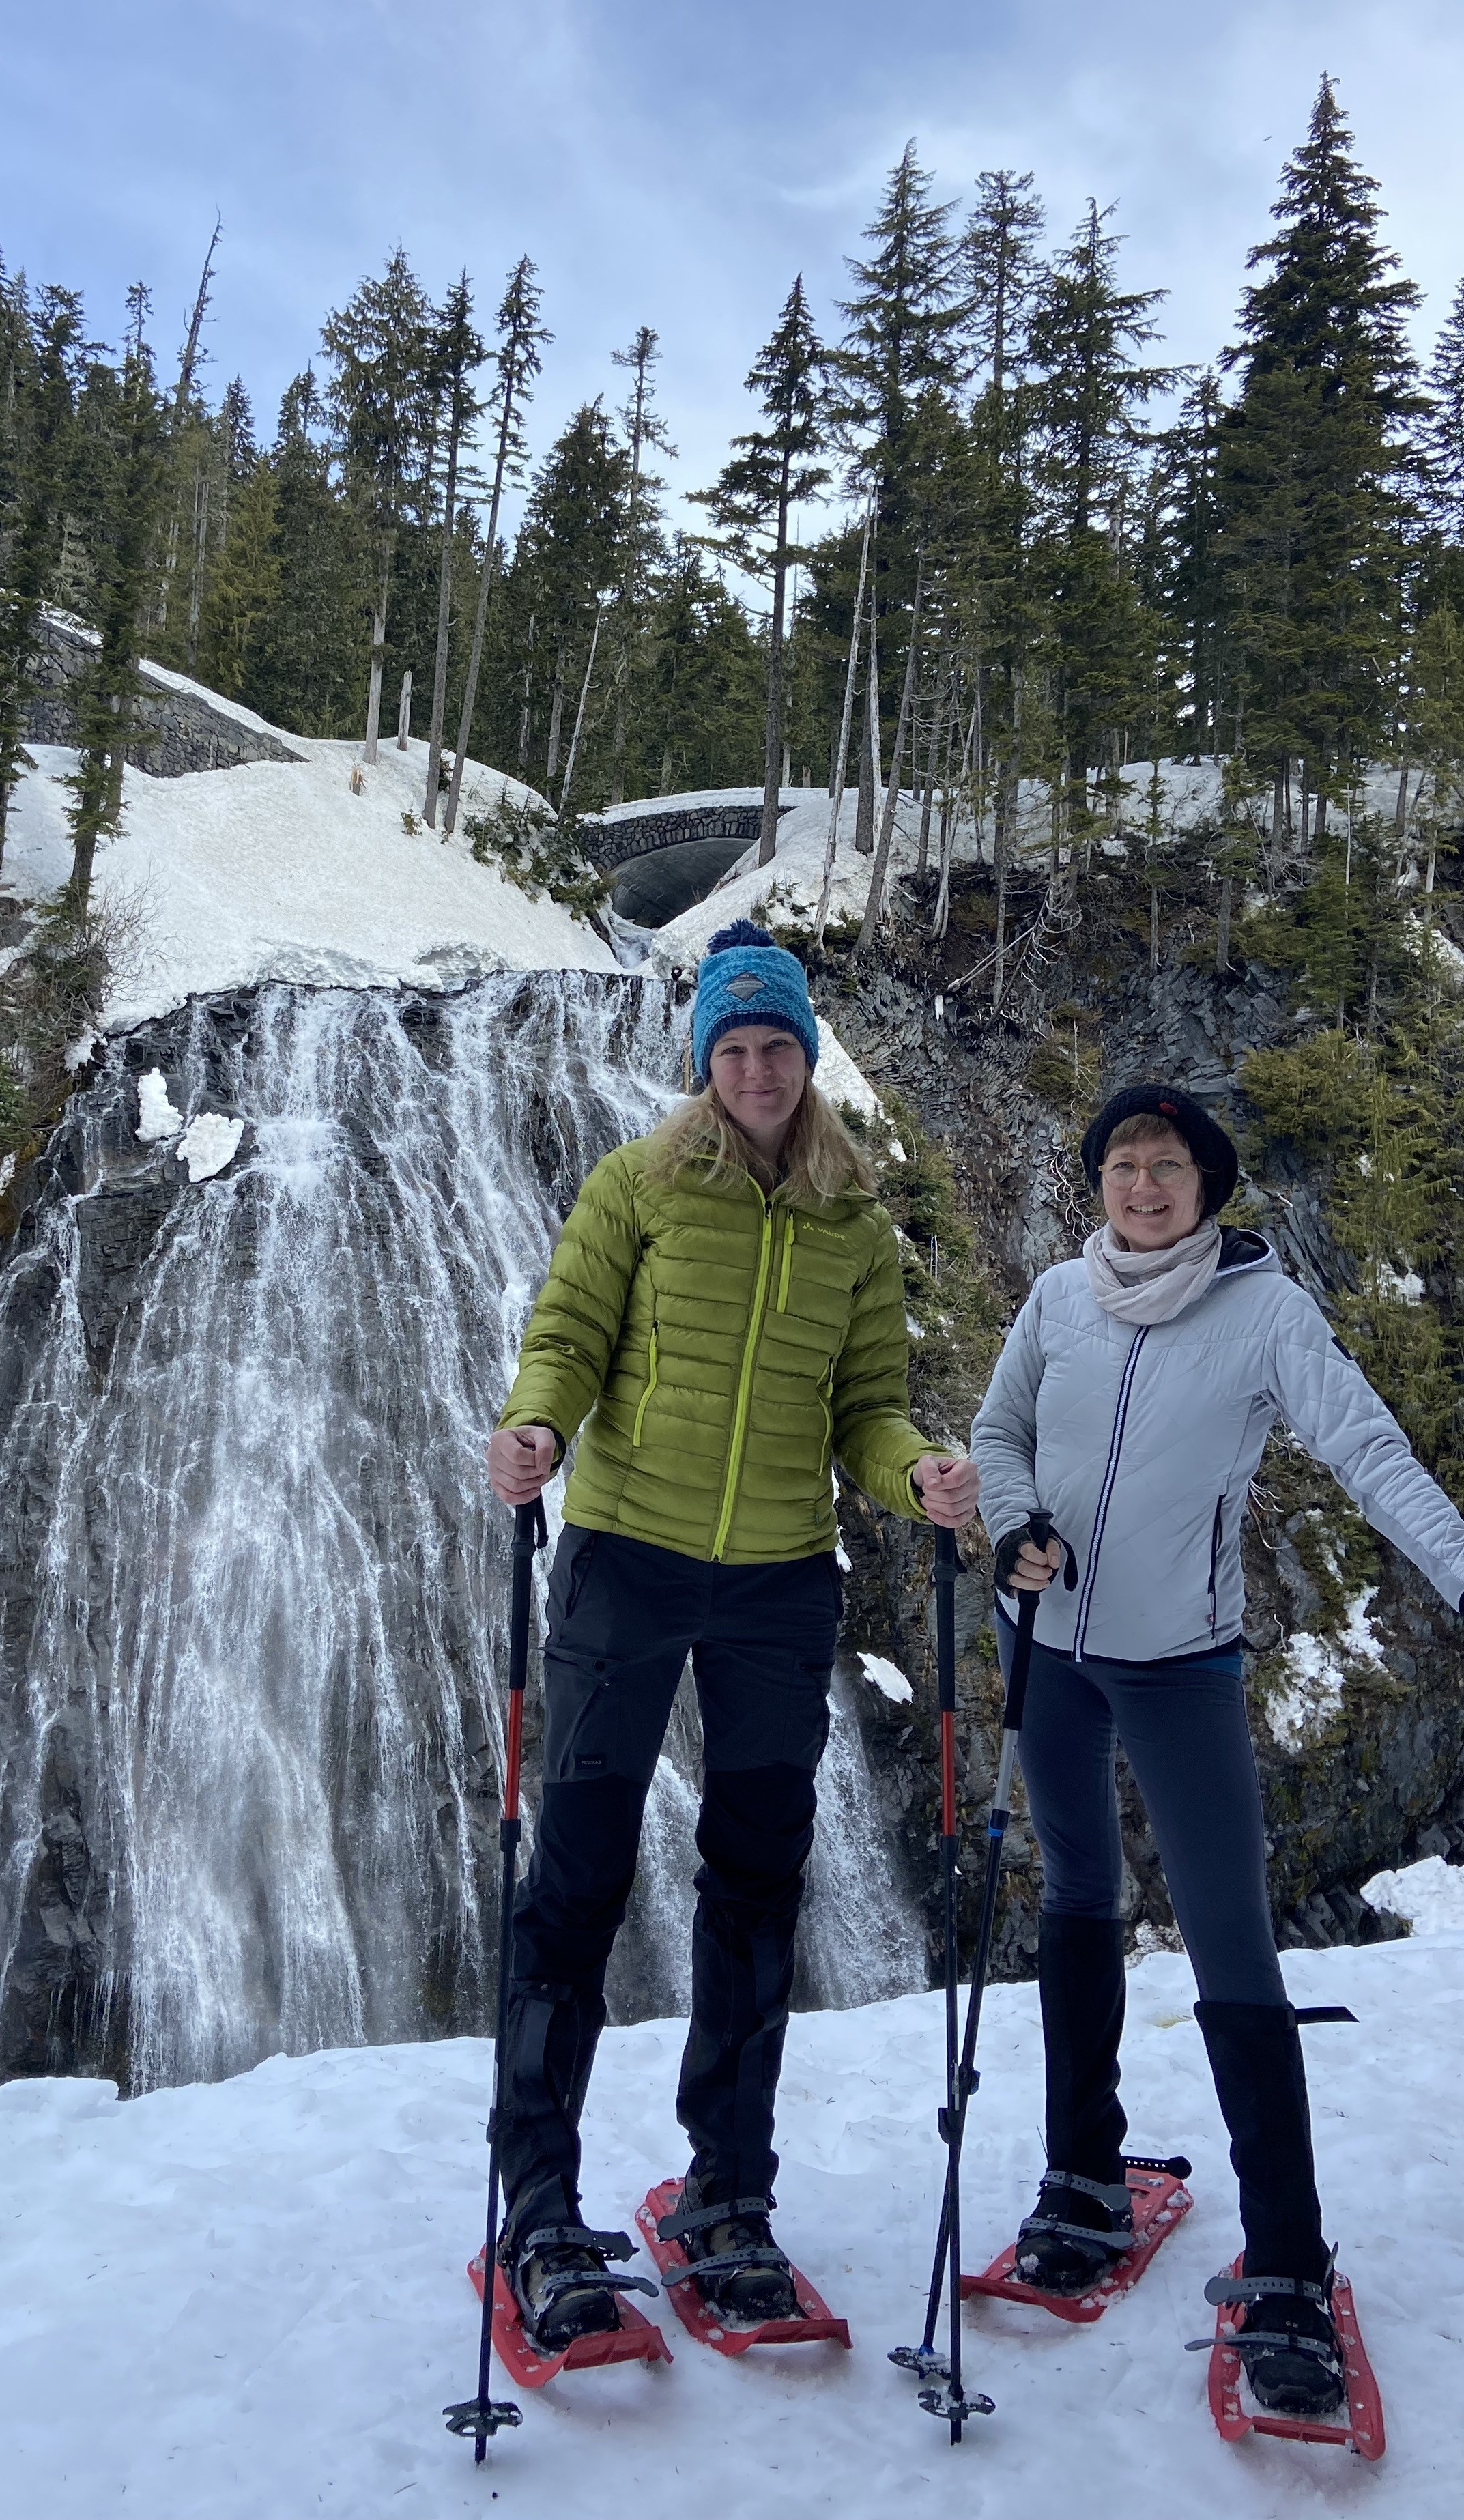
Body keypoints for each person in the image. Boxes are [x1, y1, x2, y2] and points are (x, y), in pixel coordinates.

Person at [969, 1080, 1464, 2417]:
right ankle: (1083, 2171)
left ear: (1208, 1186)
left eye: (1167, 1164)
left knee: (1233, 1942)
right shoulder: (1060, 1301)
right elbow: (998, 1429)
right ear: (1100, 1183)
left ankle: (1289, 2258)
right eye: (1123, 1162)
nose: (1142, 1183)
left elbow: (1366, 1448)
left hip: (1180, 1667)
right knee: (1077, 1901)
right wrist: (1012, 1522)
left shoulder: (1263, 1313)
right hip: (1049, 1649)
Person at [484, 919, 979, 2349]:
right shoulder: (638, 1184)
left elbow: (869, 1408)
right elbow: (568, 1333)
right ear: (708, 1060)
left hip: (776, 1582)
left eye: (778, 1046)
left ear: (808, 1059)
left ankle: (728, 2194)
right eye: (735, 1048)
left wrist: (918, 1475)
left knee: (758, 1884)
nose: (757, 1068)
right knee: (572, 1882)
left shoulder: (853, 1224)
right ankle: (538, 2205)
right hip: (624, 1563)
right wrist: (536, 1425)